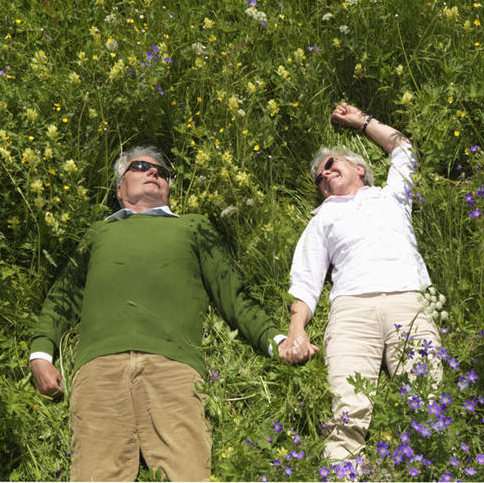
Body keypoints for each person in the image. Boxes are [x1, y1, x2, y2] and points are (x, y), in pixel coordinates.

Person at [29, 145, 302, 482]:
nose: (154, 172)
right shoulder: (98, 233)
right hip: (99, 367)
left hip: (174, 366)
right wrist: (41, 354)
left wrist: (276, 340)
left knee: (188, 474)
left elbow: (233, 295)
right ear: (119, 188)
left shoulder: (193, 227)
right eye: (141, 166)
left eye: (162, 171)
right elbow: (62, 295)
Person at [280, 102, 440, 461]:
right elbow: (306, 281)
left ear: (359, 168)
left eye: (330, 166)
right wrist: (296, 330)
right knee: (347, 415)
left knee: (428, 403)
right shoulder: (321, 219)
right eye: (319, 179)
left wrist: (363, 121)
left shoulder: (390, 197)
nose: (324, 176)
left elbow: (404, 150)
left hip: (408, 301)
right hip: (351, 312)